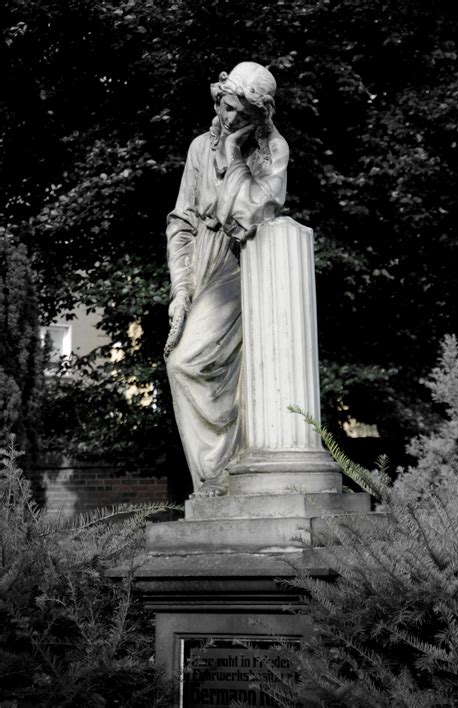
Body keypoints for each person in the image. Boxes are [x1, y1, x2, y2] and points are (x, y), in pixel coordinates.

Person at [166, 61, 289, 497]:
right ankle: (219, 477)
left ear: (261, 114)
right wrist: (180, 290)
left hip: (242, 265)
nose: (229, 118)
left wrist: (234, 157)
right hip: (201, 264)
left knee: (185, 363)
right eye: (226, 106)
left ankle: (219, 475)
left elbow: (251, 214)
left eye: (241, 112)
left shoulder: (271, 152)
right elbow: (181, 222)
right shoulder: (201, 147)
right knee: (213, 373)